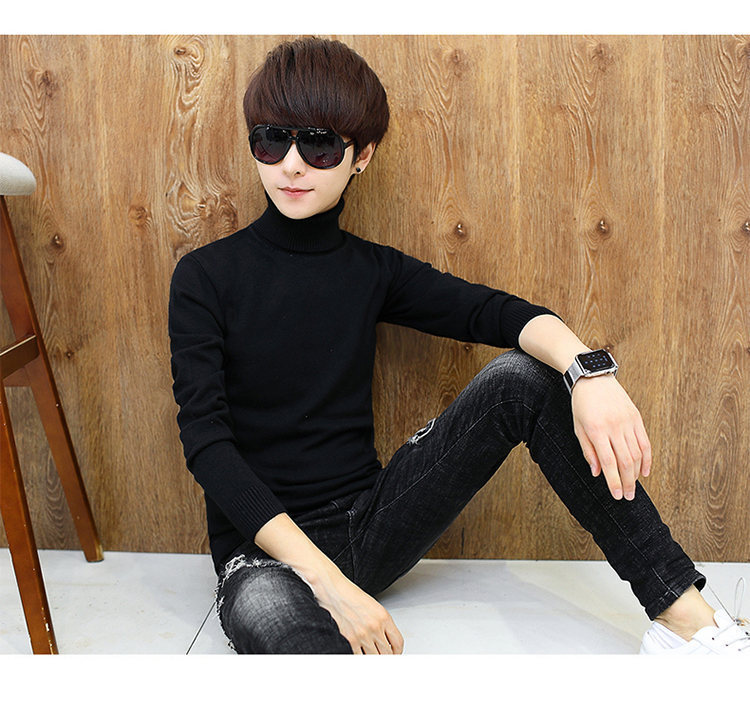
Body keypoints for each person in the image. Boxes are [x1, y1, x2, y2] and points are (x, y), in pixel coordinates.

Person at [168, 37, 749, 655]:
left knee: (523, 379)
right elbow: (207, 445)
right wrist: (331, 586)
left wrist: (590, 373)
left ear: (361, 156)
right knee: (296, 646)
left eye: (318, 145)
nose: (291, 165)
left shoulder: (372, 271)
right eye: (271, 140)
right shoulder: (206, 278)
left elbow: (496, 313)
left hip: (370, 524)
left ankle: (687, 619)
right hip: (262, 557)